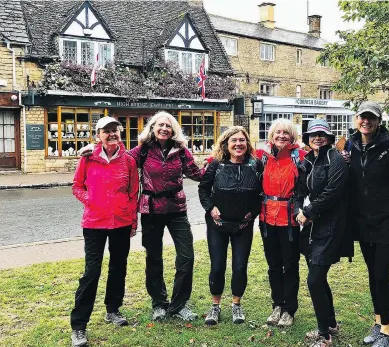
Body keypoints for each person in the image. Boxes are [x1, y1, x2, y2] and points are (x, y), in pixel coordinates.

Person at [344, 101, 389, 347]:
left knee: (381, 275)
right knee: (373, 275)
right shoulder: (350, 145)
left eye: (371, 118)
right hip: (363, 222)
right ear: (356, 118)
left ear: (379, 121)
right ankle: (377, 322)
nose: (366, 122)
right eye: (363, 117)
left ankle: (385, 332)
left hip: (386, 222)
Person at [70, 116, 139, 347]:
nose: (112, 134)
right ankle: (79, 326)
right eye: (107, 131)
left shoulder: (128, 160)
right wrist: (90, 200)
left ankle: (113, 309)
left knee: (118, 268)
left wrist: (132, 220)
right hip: (94, 223)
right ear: (98, 135)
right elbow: (77, 186)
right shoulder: (88, 158)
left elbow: (133, 193)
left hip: (120, 222)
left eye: (115, 130)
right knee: (91, 272)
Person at [129, 111, 205, 322]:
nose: (164, 129)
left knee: (186, 256)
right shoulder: (143, 150)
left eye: (168, 126)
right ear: (153, 127)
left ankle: (179, 304)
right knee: (154, 258)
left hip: (176, 210)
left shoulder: (181, 151)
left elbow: (197, 174)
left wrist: (220, 162)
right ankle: (159, 304)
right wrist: (95, 149)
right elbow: (121, 161)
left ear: (173, 130)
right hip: (151, 209)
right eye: (160, 125)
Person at [296, 119, 353, 347]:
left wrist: (309, 211)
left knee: (314, 280)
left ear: (329, 138)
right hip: (311, 227)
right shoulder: (308, 161)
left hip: (331, 226)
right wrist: (300, 209)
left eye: (322, 134)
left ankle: (324, 336)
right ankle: (330, 325)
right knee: (318, 279)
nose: (317, 138)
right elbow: (300, 190)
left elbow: (333, 192)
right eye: (313, 134)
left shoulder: (335, 159)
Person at [198, 126, 263, 326]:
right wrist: (210, 208)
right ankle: (215, 306)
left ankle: (236, 304)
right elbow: (203, 189)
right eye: (234, 140)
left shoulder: (256, 164)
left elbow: (261, 193)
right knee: (217, 266)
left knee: (240, 267)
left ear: (247, 143)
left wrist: (253, 212)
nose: (238, 144)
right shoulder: (216, 164)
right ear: (226, 143)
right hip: (218, 224)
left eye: (242, 140)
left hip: (243, 226)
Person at [256, 118, 306, 327]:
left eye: (285, 132)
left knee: (290, 265)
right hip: (267, 218)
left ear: (292, 136)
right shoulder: (263, 156)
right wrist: (212, 158)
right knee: (273, 265)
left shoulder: (300, 156)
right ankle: (277, 305)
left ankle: (289, 309)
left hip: (289, 219)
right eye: (277, 133)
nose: (281, 136)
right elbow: (234, 153)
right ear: (271, 136)